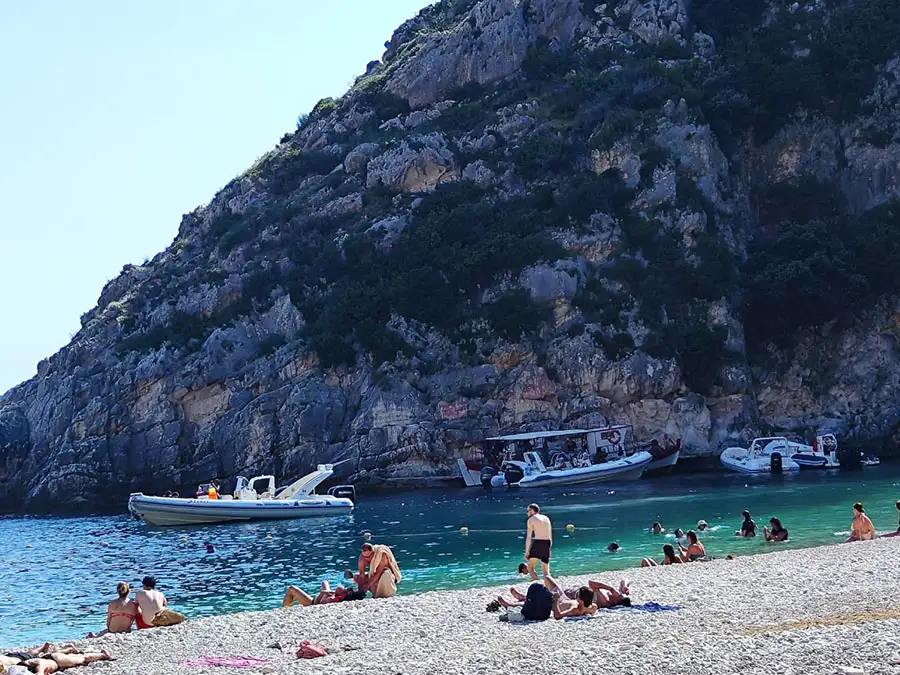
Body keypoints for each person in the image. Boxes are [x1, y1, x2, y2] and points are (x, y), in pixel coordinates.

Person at [2, 648, 112, 675]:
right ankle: (68, 649)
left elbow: (41, 662)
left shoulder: (27, 663)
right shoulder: (19, 668)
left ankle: (103, 654)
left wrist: (40, 672)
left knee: (83, 659)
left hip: (56, 660)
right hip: (54, 661)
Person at [524, 503, 552, 578]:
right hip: (547, 543)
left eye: (528, 511)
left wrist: (527, 551)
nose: (527, 513)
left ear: (532, 510)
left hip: (538, 543)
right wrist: (549, 549)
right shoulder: (546, 518)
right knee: (546, 571)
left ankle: (536, 583)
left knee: (530, 567)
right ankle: (549, 586)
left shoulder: (531, 520)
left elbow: (529, 537)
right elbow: (550, 535)